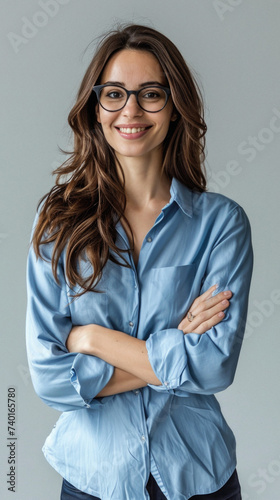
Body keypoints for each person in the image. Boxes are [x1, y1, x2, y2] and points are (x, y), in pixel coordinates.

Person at [26, 24, 253, 500]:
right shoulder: (58, 222)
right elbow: (50, 380)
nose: (130, 110)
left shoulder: (221, 224)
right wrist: (178, 346)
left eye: (150, 93)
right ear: (96, 109)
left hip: (200, 478)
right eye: (114, 94)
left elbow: (213, 368)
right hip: (93, 480)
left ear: (175, 108)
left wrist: (91, 339)